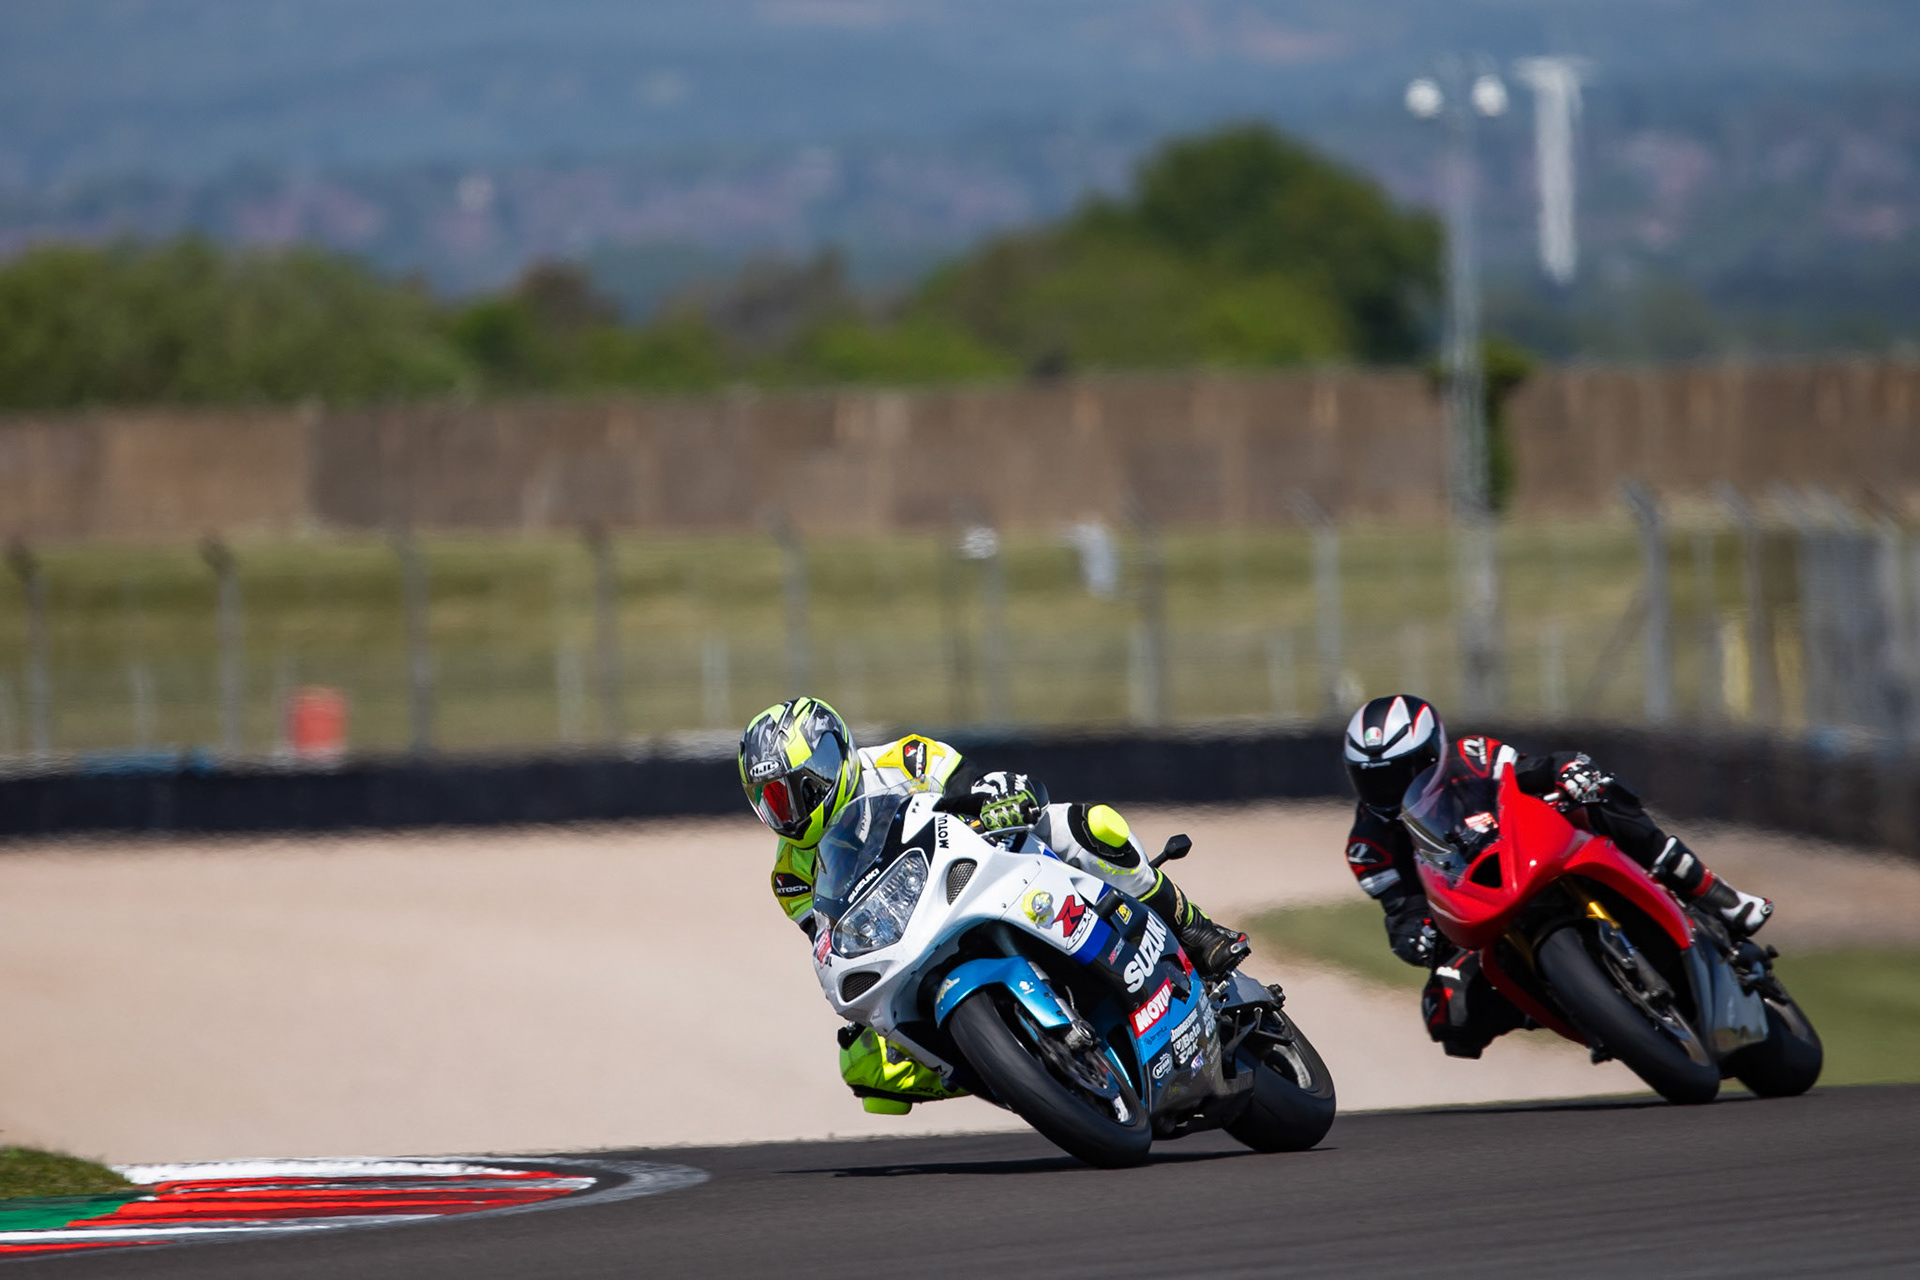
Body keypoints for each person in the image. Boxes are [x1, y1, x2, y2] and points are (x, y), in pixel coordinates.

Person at [739, 696, 1251, 1112]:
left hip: (980, 862)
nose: (789, 810)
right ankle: (1012, 1066)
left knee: (1087, 826)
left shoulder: (902, 760)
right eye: (772, 800)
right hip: (908, 928)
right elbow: (832, 939)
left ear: (832, 758)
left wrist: (1000, 797)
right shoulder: (789, 876)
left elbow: (972, 783)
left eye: (798, 789)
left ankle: (1193, 928)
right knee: (868, 1065)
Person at [1339, 693, 1775, 1059]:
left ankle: (1715, 894)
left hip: (1529, 851)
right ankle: (1578, 1007)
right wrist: (1416, 937)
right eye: (1372, 780)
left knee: (1598, 799)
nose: (1389, 790)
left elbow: (1533, 771)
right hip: (1478, 909)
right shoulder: (1367, 846)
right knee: (1447, 1012)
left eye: (1402, 771)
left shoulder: (1472, 756)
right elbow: (1403, 911)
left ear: (1435, 751)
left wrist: (1568, 771)